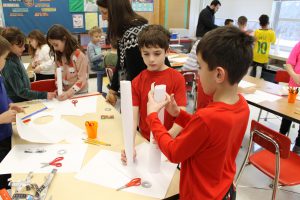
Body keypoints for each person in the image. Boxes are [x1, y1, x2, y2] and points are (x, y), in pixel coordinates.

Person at [146, 26, 253, 199]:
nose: (197, 73)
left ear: (218, 74)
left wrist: (152, 117)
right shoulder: (242, 106)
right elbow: (209, 134)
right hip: (224, 190)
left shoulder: (207, 117)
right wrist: (178, 113)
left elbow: (174, 152)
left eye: (200, 67)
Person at [120, 25, 187, 164]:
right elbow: (133, 118)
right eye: (146, 53)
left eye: (157, 53)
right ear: (140, 52)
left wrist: (168, 137)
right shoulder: (137, 81)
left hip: (171, 140)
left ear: (166, 51)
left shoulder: (177, 78)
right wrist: (129, 145)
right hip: (146, 140)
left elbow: (182, 114)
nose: (151, 59)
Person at [96, 0, 170, 106]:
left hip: (153, 91)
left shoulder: (132, 32)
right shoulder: (125, 29)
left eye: (105, 12)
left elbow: (136, 74)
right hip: (145, 89)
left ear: (116, 11)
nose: (103, 18)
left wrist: (131, 103)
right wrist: (113, 90)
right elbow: (122, 63)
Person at [1, 27, 55, 102]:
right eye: (20, 46)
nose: (24, 48)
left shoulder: (16, 56)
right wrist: (45, 95)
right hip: (18, 102)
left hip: (23, 99)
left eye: (24, 45)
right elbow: (21, 91)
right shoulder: (9, 64)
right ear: (10, 46)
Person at [0, 35, 24, 189]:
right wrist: (1, 118)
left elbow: (3, 95)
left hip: (6, 136)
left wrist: (10, 104)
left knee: (10, 176)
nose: (5, 61)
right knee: (3, 180)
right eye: (4, 58)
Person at [47, 24, 89, 101]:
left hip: (80, 94)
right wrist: (60, 90)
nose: (55, 48)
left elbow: (82, 80)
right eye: (52, 45)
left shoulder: (78, 55)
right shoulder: (58, 55)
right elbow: (57, 76)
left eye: (56, 44)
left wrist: (68, 93)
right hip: (65, 93)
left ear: (64, 39)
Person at [279, 41, 300, 154]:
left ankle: (297, 146)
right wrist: (294, 75)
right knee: (287, 115)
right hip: (294, 86)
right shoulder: (299, 45)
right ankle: (281, 139)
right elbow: (289, 64)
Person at [251, 14, 276, 78]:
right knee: (259, 71)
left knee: (251, 69)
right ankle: (257, 83)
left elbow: (254, 41)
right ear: (268, 22)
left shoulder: (257, 31)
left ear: (260, 23)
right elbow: (273, 42)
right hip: (263, 55)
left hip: (255, 54)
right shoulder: (271, 32)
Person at [87, 26, 105, 93]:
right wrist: (102, 54)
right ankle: (111, 87)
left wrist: (103, 57)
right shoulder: (90, 45)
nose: (98, 38)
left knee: (108, 65)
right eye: (96, 36)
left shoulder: (97, 44)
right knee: (110, 67)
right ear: (91, 36)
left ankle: (100, 90)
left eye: (100, 37)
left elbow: (99, 55)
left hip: (99, 62)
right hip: (94, 64)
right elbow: (92, 58)